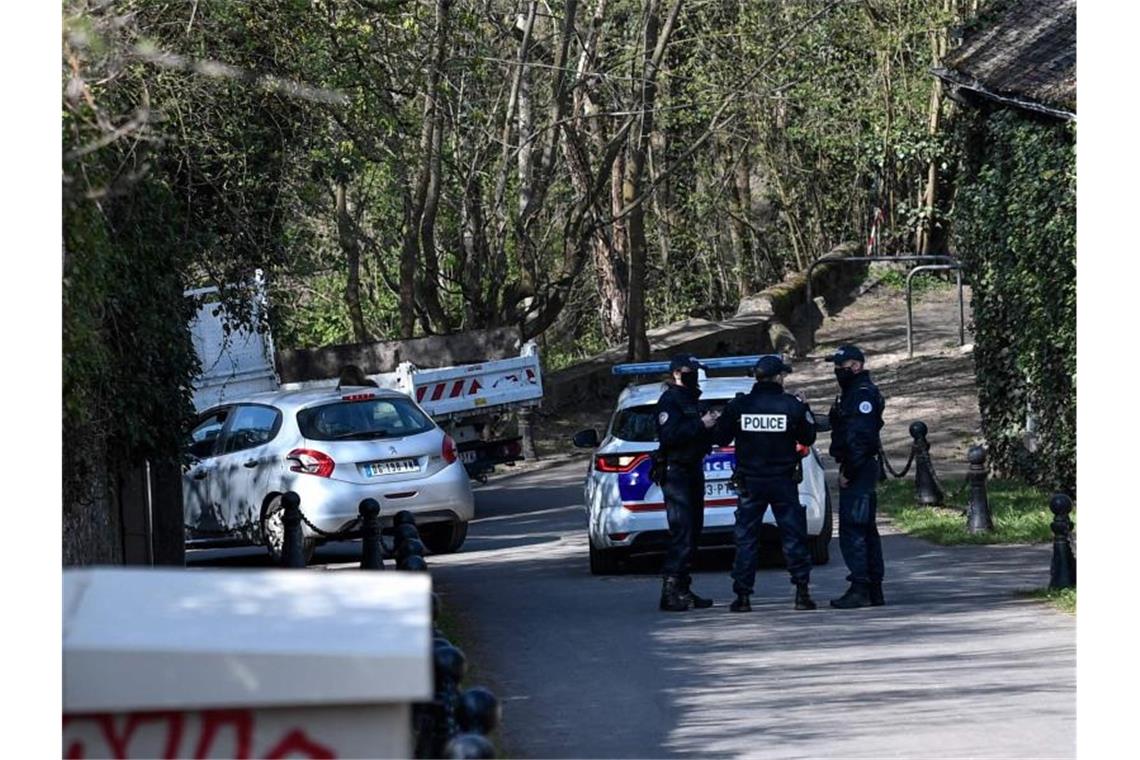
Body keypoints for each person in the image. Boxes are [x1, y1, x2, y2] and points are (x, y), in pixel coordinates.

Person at [714, 355, 818, 612]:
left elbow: (721, 437)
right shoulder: (791, 406)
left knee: (747, 539)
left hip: (751, 483)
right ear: (779, 377)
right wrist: (805, 408)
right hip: (783, 481)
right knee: (793, 536)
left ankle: (743, 597)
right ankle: (802, 593)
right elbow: (809, 436)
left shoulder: (739, 406)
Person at [655, 354, 720, 612]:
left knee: (693, 531)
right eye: (690, 371)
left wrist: (712, 425)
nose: (695, 374)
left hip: (692, 468)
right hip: (676, 471)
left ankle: (683, 588)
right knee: (681, 530)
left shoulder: (692, 398)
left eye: (697, 370)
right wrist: (700, 424)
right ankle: (669, 592)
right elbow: (670, 435)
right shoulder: (669, 401)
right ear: (677, 374)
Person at [826, 344, 887, 608]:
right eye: (836, 366)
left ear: (856, 366)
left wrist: (848, 471)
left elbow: (861, 438)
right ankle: (871, 588)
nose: (837, 371)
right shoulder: (851, 393)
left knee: (855, 528)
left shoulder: (862, 395)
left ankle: (861, 586)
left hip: (859, 469)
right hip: (857, 465)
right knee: (864, 528)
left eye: (841, 366)